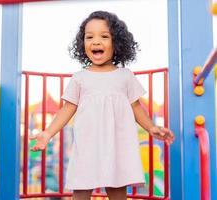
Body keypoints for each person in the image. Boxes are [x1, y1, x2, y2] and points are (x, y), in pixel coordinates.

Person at [29, 10, 174, 200]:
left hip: (117, 144)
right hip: (88, 143)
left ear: (117, 43)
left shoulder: (125, 76)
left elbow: (136, 107)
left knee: (117, 189)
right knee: (81, 189)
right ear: (83, 44)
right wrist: (48, 133)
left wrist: (151, 127)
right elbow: (67, 109)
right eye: (89, 37)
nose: (96, 42)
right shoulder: (80, 78)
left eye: (104, 36)